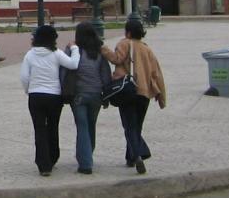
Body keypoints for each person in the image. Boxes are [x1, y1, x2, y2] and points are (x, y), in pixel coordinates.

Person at [102, 18, 166, 174]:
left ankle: (138, 154)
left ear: (128, 32)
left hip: (129, 90)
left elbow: (116, 59)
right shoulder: (147, 49)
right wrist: (161, 96)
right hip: (145, 94)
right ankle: (130, 157)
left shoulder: (125, 43)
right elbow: (157, 73)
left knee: (129, 126)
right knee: (137, 126)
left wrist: (102, 48)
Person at [20, 25, 79, 176]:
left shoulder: (30, 55)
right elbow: (73, 64)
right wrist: (75, 49)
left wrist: (28, 89)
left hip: (35, 95)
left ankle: (43, 164)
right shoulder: (56, 54)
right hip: (54, 96)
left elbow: (25, 77)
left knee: (39, 129)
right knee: (53, 127)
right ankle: (53, 157)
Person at [69, 22, 113, 174]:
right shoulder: (99, 53)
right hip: (96, 95)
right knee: (91, 125)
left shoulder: (74, 51)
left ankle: (85, 163)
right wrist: (106, 96)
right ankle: (88, 153)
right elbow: (106, 76)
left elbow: (65, 71)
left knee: (82, 126)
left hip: (79, 94)